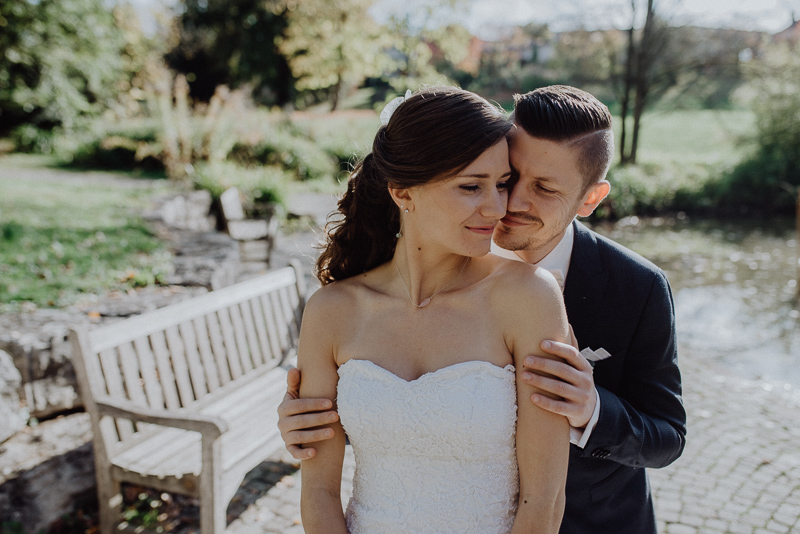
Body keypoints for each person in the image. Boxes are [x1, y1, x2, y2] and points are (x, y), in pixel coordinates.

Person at [279, 85, 687, 534]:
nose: (506, 204)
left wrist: (591, 409)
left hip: (594, 522)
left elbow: (666, 434)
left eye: (544, 189)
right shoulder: (363, 290)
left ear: (590, 199)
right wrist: (316, 416)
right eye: (506, 178)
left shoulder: (631, 288)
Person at [294, 86, 572, 534]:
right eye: (470, 186)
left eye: (501, 184)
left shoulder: (527, 298)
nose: (496, 207)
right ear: (403, 192)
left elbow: (543, 500)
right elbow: (319, 492)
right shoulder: (332, 311)